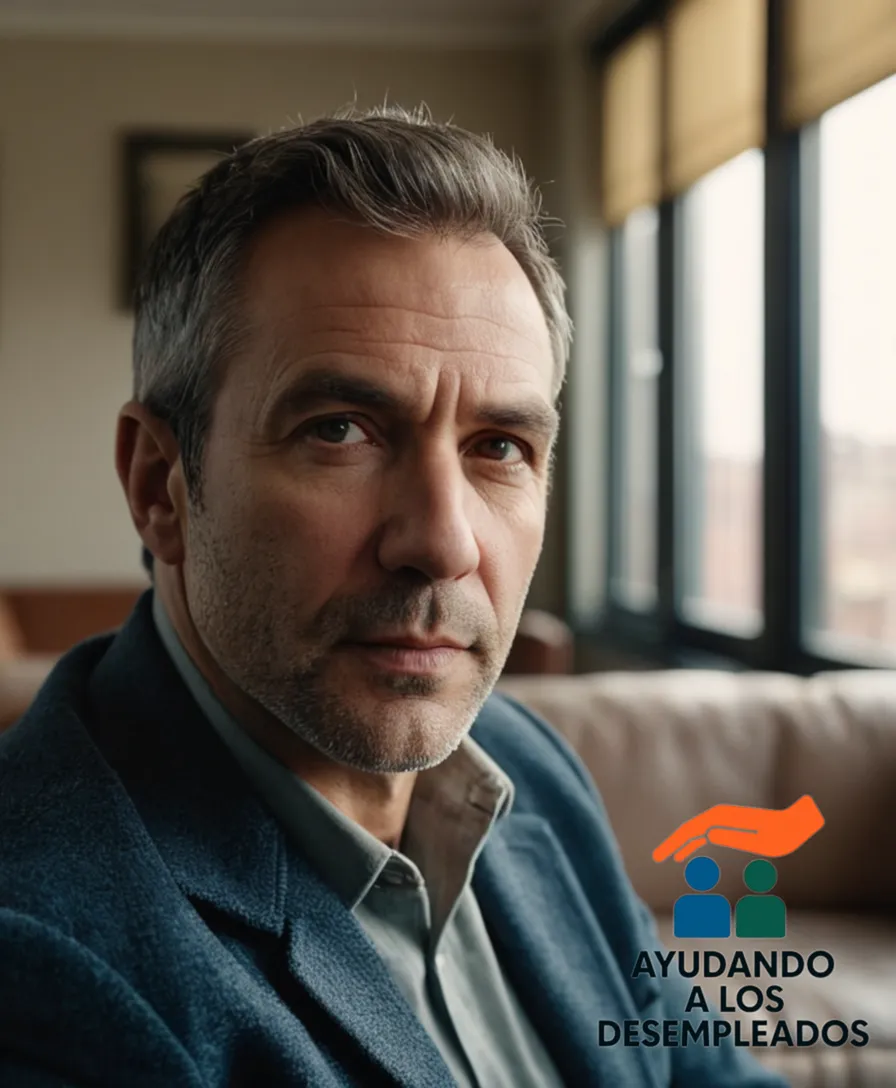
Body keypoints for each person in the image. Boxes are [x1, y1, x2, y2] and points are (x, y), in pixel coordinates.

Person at [0, 104, 788, 1087]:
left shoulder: (528, 769)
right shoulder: (40, 957)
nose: (443, 541)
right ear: (161, 483)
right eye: (340, 430)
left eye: (499, 447)